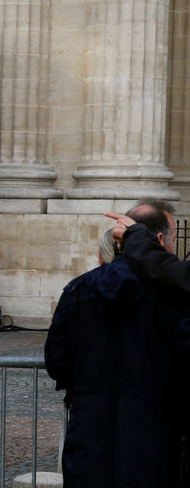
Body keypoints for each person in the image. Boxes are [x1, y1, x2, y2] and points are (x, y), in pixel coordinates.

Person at [47, 201, 187, 487]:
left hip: (88, 435)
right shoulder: (175, 299)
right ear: (159, 241)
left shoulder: (76, 290)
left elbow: (57, 362)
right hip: (153, 441)